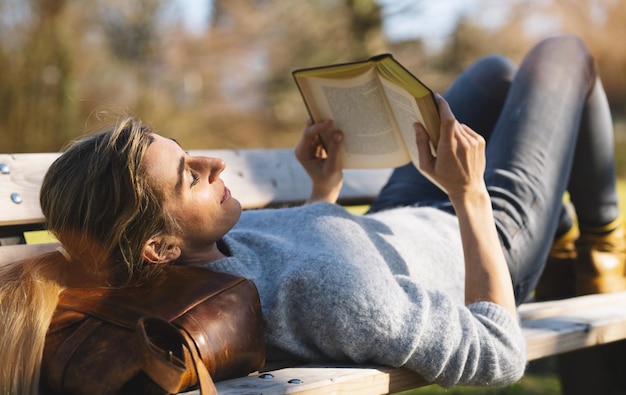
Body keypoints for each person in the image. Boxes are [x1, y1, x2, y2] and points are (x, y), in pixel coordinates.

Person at [1, 34, 623, 394]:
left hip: (397, 215)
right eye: (190, 175)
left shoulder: (199, 261)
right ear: (157, 247)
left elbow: (297, 267)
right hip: (479, 245)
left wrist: (323, 191)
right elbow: (498, 354)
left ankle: (580, 235)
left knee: (493, 73)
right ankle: (602, 243)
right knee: (564, 56)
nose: (214, 164)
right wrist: (471, 195)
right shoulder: (339, 298)